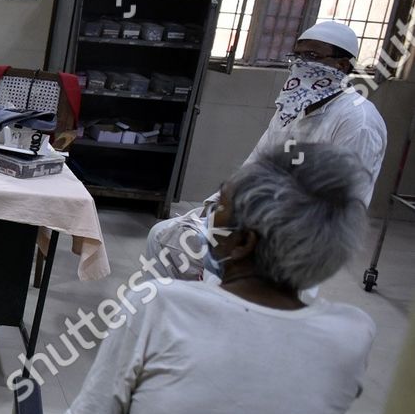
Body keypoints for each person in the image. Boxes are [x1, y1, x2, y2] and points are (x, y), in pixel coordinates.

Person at [65, 145, 374, 414]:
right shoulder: (352, 335)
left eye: (217, 209)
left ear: (242, 242)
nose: (205, 218)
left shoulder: (158, 306)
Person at [147, 20, 386, 279]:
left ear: (342, 65)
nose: (301, 63)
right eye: (297, 55)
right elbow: (256, 164)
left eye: (313, 56)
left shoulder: (357, 120)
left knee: (216, 266)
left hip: (301, 233)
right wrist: (219, 205)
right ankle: (172, 312)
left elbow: (348, 201)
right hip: (257, 216)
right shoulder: (293, 108)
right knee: (163, 235)